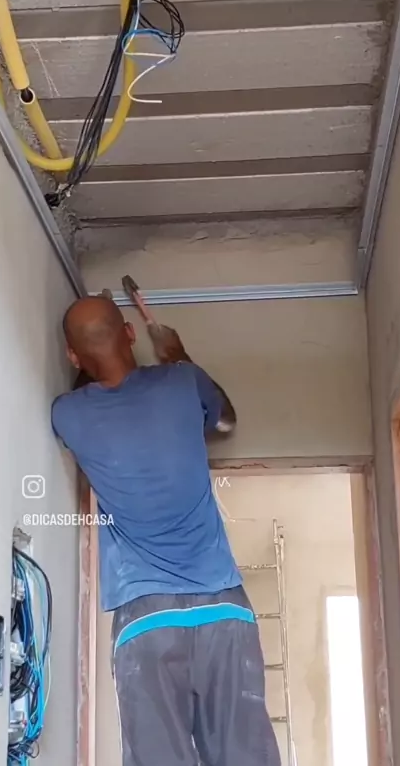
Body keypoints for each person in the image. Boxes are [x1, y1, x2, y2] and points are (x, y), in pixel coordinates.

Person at [51, 295, 281, 766]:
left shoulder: (68, 414)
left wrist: (92, 360)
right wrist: (178, 355)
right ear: (130, 333)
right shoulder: (182, 381)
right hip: (223, 610)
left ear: (72, 356)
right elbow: (225, 419)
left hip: (146, 621)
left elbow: (91, 384)